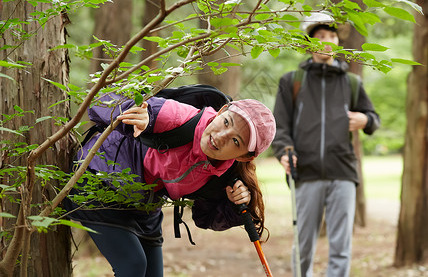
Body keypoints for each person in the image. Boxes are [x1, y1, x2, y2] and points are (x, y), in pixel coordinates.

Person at [64, 92, 276, 277]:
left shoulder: (223, 174)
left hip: (143, 204)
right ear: (221, 111)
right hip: (99, 180)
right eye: (227, 122)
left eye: (236, 141)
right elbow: (102, 103)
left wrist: (233, 205)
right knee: (133, 266)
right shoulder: (177, 116)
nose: (220, 137)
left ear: (244, 157)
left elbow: (205, 219)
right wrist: (143, 117)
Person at [272, 12, 380, 277]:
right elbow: (280, 128)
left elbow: (373, 118)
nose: (327, 41)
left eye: (332, 36)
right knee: (304, 245)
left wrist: (365, 119)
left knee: (341, 246)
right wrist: (285, 153)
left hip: (342, 172)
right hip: (305, 174)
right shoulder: (292, 81)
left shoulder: (351, 82)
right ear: (309, 42)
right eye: (320, 36)